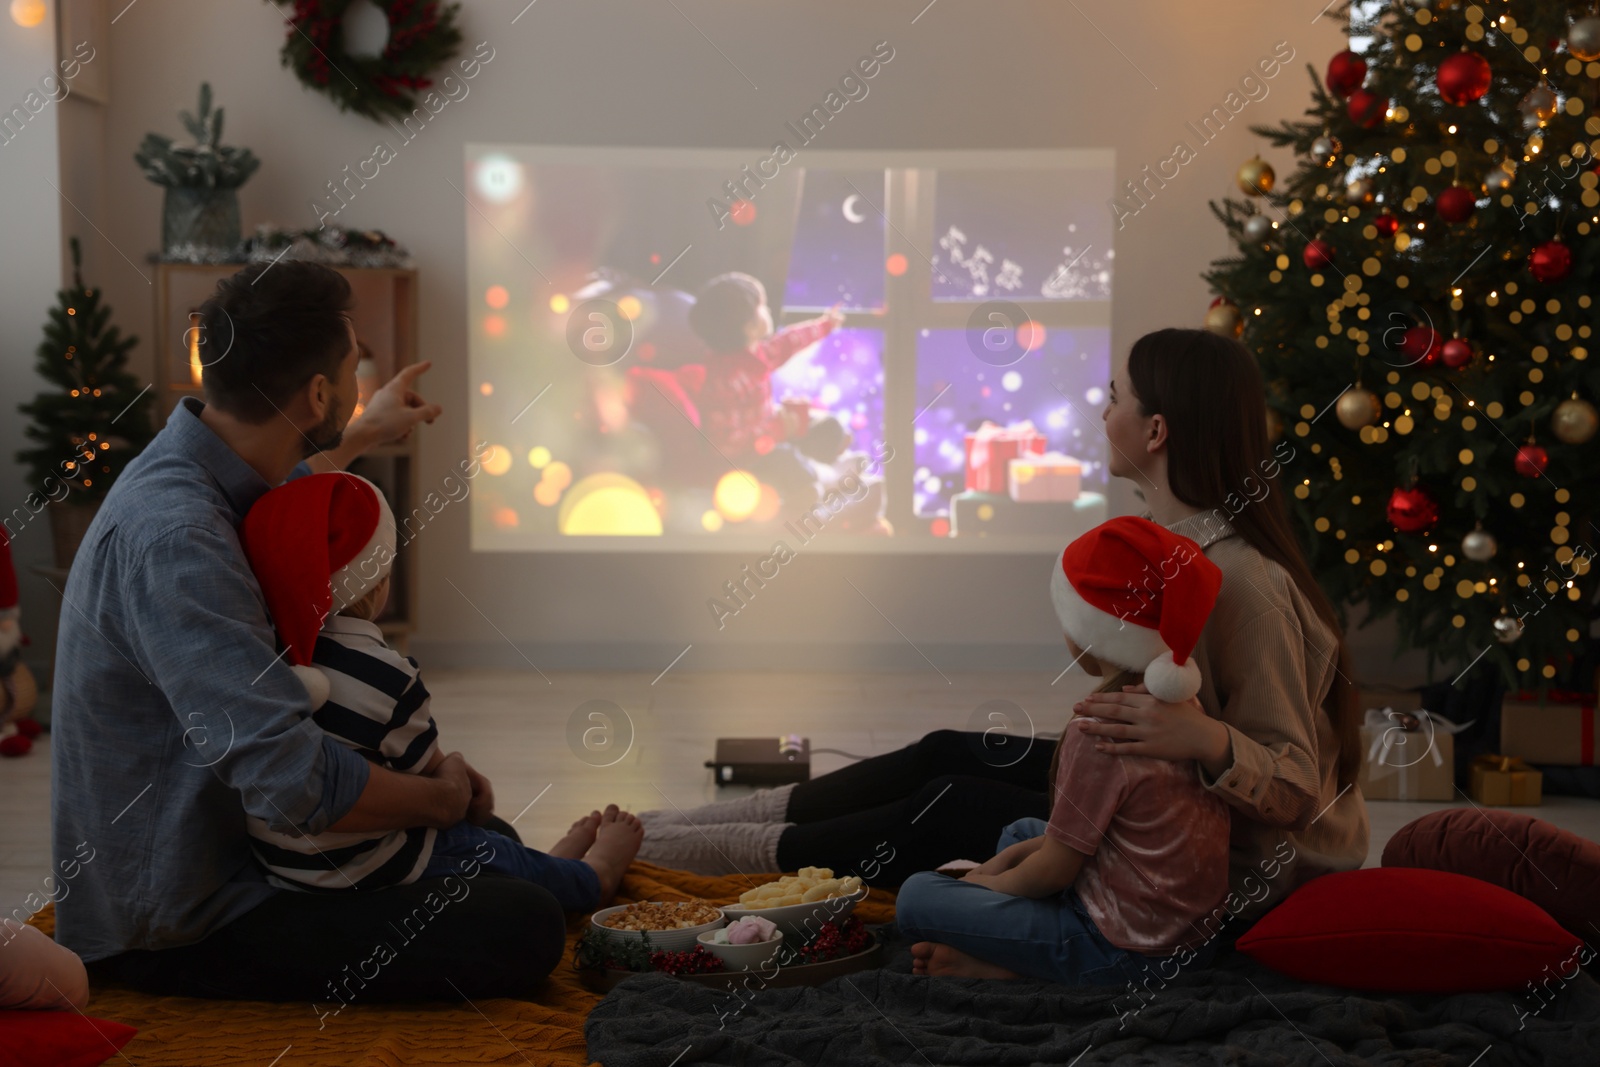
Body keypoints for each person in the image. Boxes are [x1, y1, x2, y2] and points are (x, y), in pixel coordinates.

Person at [637, 327, 1369, 933]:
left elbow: (1298, 788)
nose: (1101, 409)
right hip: (1172, 795)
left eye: (1115, 397)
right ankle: (695, 825)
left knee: (950, 803)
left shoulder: (1247, 584)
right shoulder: (1162, 540)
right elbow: (1129, 670)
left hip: (1233, 863)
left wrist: (1203, 738)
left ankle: (712, 851)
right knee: (947, 750)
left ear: (1155, 430)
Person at [50, 259, 566, 1002]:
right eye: (352, 371)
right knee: (523, 921)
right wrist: (441, 797)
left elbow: (285, 497)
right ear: (318, 393)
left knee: (497, 850)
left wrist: (364, 429)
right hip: (183, 916)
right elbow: (293, 786)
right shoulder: (179, 539)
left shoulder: (196, 471)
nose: (356, 385)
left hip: (244, 857)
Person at [238, 470, 642, 906]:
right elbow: (430, 780)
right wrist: (456, 767)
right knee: (483, 847)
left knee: (495, 845)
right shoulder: (386, 674)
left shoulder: (265, 659)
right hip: (370, 864)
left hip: (285, 869)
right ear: (376, 585)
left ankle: (553, 866)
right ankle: (592, 877)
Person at [895, 516, 1231, 982]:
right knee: (1018, 833)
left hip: (1130, 953)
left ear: (1089, 629)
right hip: (1192, 939)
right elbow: (1101, 839)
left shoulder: (1099, 730)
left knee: (916, 896)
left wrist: (981, 885)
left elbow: (1054, 870)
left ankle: (1023, 967)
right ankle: (1017, 945)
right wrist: (1000, 870)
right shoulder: (1179, 705)